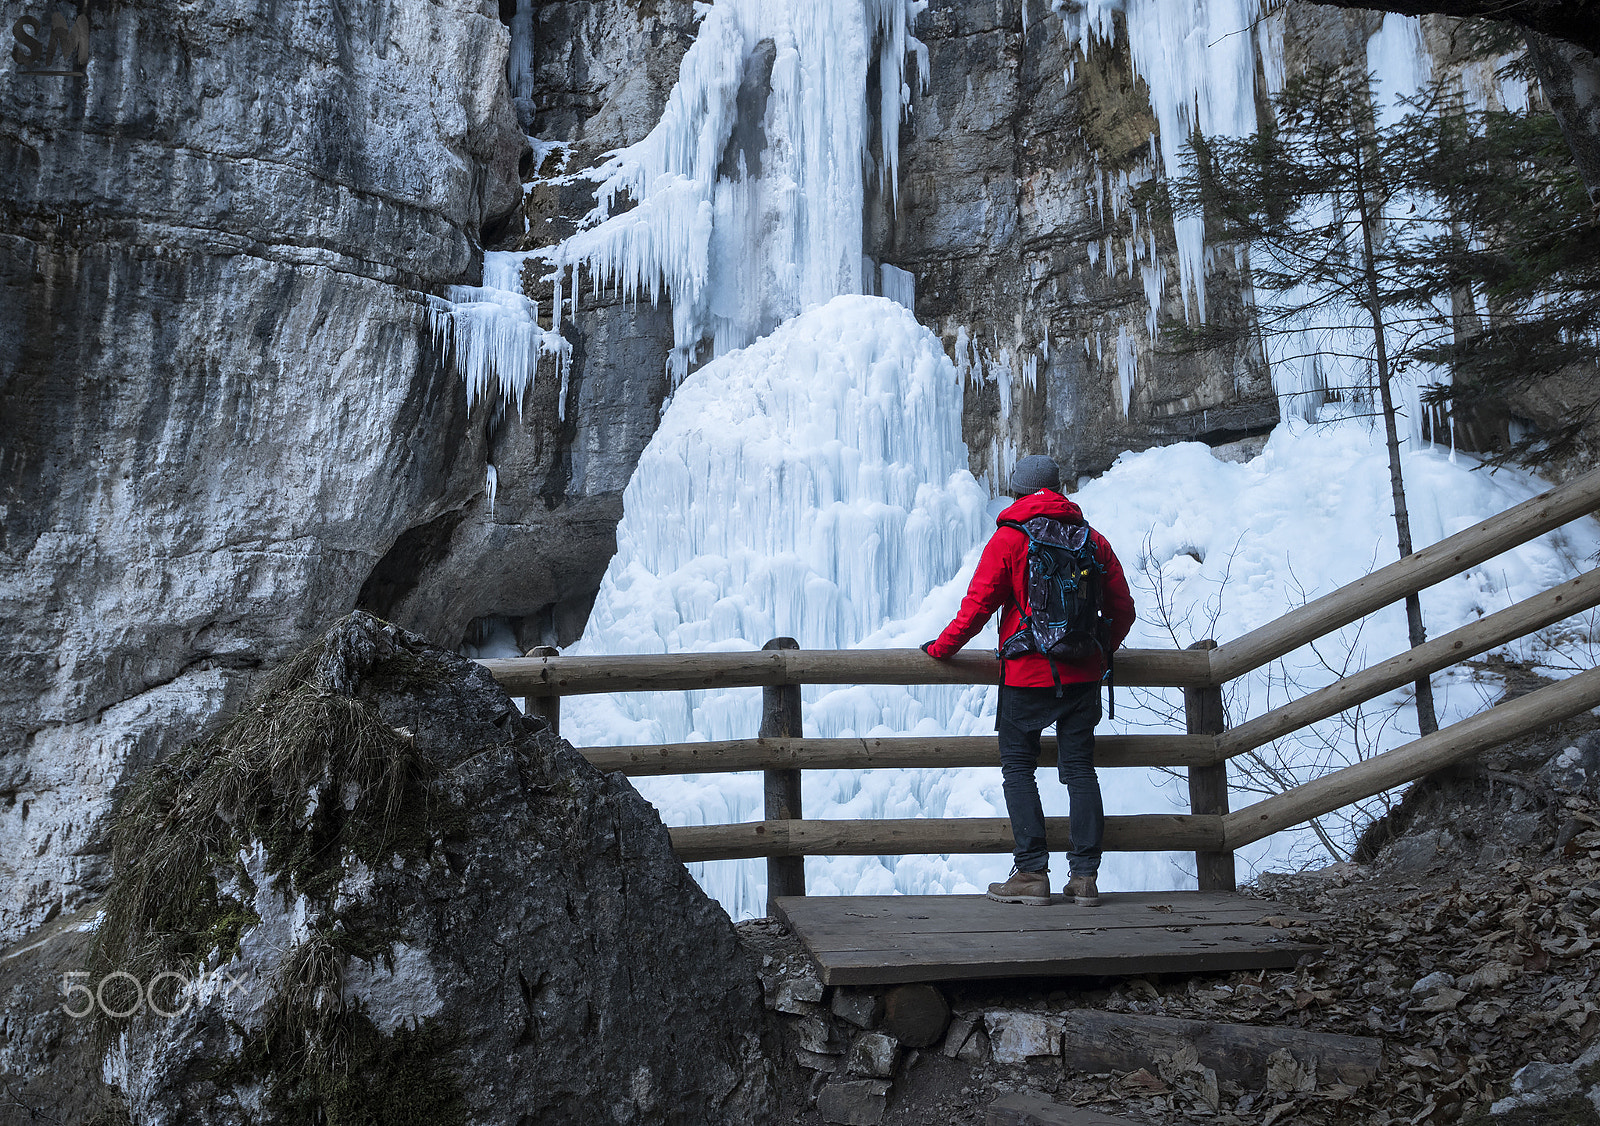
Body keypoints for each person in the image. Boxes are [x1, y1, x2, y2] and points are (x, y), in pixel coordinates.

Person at [921, 454, 1135, 906]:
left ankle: (1032, 874)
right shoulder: (1092, 540)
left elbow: (977, 607)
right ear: (1059, 491)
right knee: (1079, 770)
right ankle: (1084, 878)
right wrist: (1099, 652)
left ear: (1019, 491)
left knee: (1019, 768)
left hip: (1026, 675)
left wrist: (939, 650)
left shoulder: (1010, 539)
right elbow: (1123, 609)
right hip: (1082, 678)